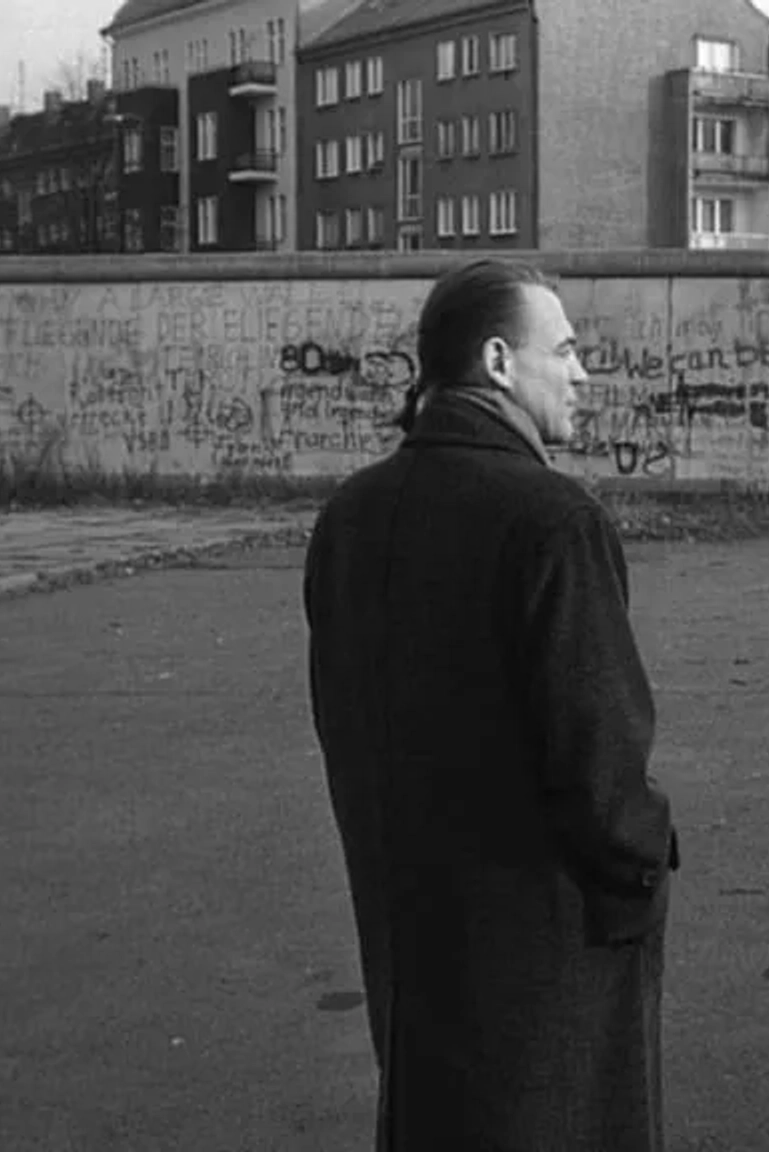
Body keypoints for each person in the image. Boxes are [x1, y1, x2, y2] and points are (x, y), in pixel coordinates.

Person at [304, 257, 680, 1152]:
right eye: (567, 349)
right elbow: (601, 760)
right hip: (544, 950)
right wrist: (643, 867)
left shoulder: (350, 516)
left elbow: (342, 722)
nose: (584, 372)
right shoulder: (553, 520)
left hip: (409, 940)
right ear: (500, 362)